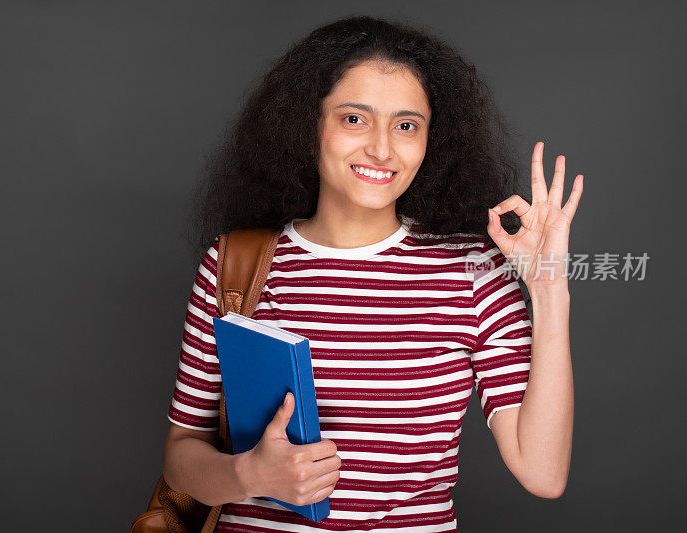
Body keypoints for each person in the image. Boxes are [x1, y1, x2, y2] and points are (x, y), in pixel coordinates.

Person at [162, 15, 581, 532]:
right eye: (354, 119)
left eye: (407, 125)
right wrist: (249, 475)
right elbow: (181, 456)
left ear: (433, 142)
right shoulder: (234, 264)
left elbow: (544, 473)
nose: (382, 149)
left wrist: (548, 287)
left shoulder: (475, 271)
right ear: (307, 125)